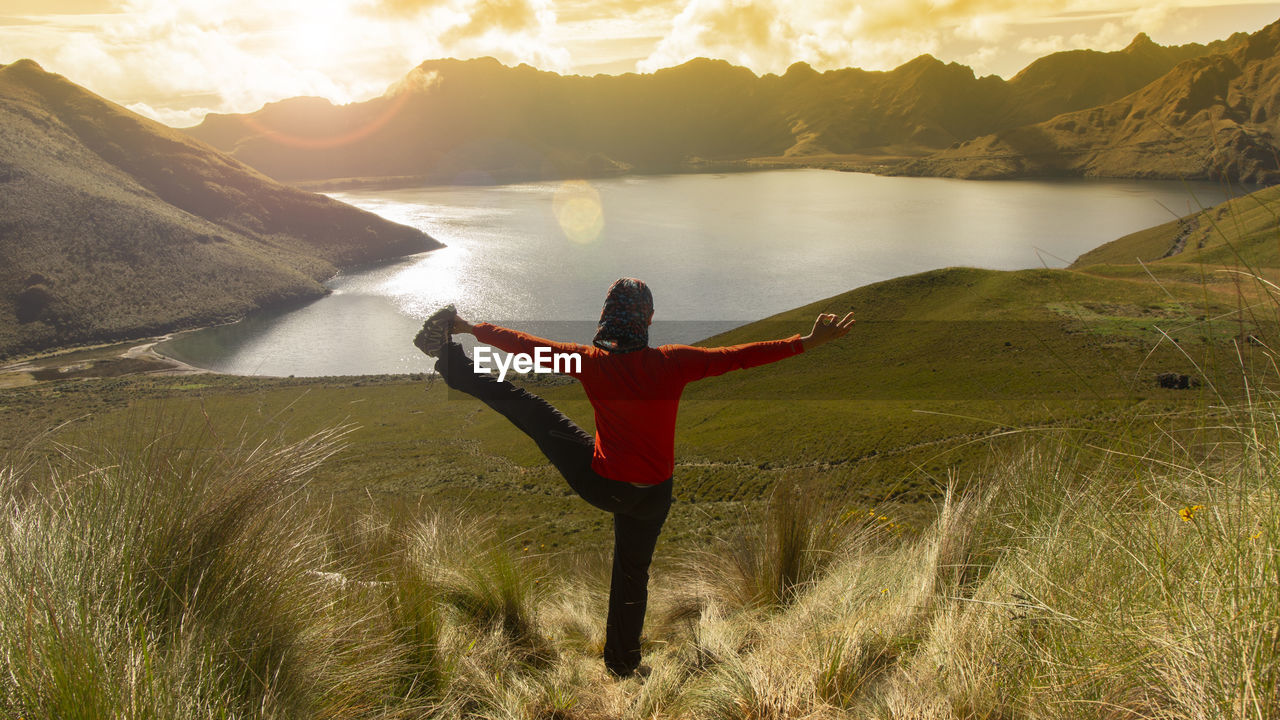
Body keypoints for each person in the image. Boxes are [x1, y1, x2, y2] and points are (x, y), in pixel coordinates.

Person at [412, 278, 855, 678]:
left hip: (603, 484)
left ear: (606, 318)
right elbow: (739, 357)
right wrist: (808, 342)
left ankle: (450, 360)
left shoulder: (588, 361)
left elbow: (525, 346)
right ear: (648, 319)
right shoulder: (673, 363)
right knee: (632, 573)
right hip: (654, 495)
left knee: (528, 407)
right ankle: (622, 662)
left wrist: (470, 326)